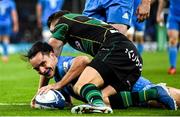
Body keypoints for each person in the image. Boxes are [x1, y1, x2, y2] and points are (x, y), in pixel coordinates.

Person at [36, 11, 176, 113]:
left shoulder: (63, 20)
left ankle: (97, 106)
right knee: (102, 98)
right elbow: (52, 59)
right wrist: (41, 92)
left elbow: (50, 52)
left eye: (53, 30)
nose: (54, 33)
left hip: (117, 48)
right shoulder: (76, 29)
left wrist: (50, 88)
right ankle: (154, 93)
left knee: (82, 85)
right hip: (133, 60)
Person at [26, 41, 178, 111]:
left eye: (43, 63)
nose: (42, 69)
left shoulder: (62, 65)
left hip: (125, 83)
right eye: (37, 68)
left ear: (52, 55)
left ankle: (155, 91)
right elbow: (67, 102)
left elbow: (83, 60)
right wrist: (42, 98)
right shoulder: (58, 77)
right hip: (120, 95)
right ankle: (152, 94)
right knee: (158, 104)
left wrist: (57, 85)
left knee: (175, 96)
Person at [82, 0, 151, 35]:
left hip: (118, 1)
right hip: (93, 1)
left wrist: (146, 2)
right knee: (93, 40)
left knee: (116, 39)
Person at [156, 0, 180, 75]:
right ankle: (173, 67)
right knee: (172, 40)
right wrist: (158, 14)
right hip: (174, 17)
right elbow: (163, 1)